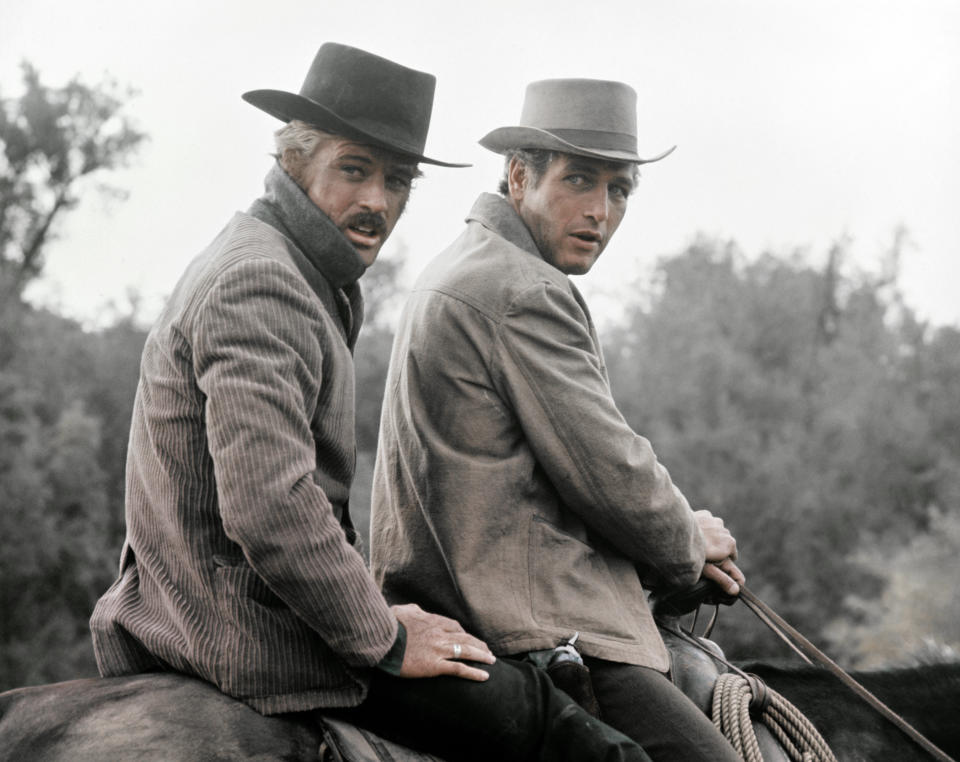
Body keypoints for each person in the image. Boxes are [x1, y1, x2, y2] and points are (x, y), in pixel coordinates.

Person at [89, 46, 650, 762]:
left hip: (213, 607)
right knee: (567, 734)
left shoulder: (290, 266)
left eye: (396, 179)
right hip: (237, 632)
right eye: (354, 170)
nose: (378, 202)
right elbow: (272, 507)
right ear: (296, 159)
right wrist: (383, 636)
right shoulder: (262, 280)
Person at [370, 78, 746, 761]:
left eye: (619, 190)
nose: (599, 210)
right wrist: (689, 540)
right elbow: (611, 471)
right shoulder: (523, 289)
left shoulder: (458, 267)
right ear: (519, 176)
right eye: (579, 180)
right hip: (535, 624)